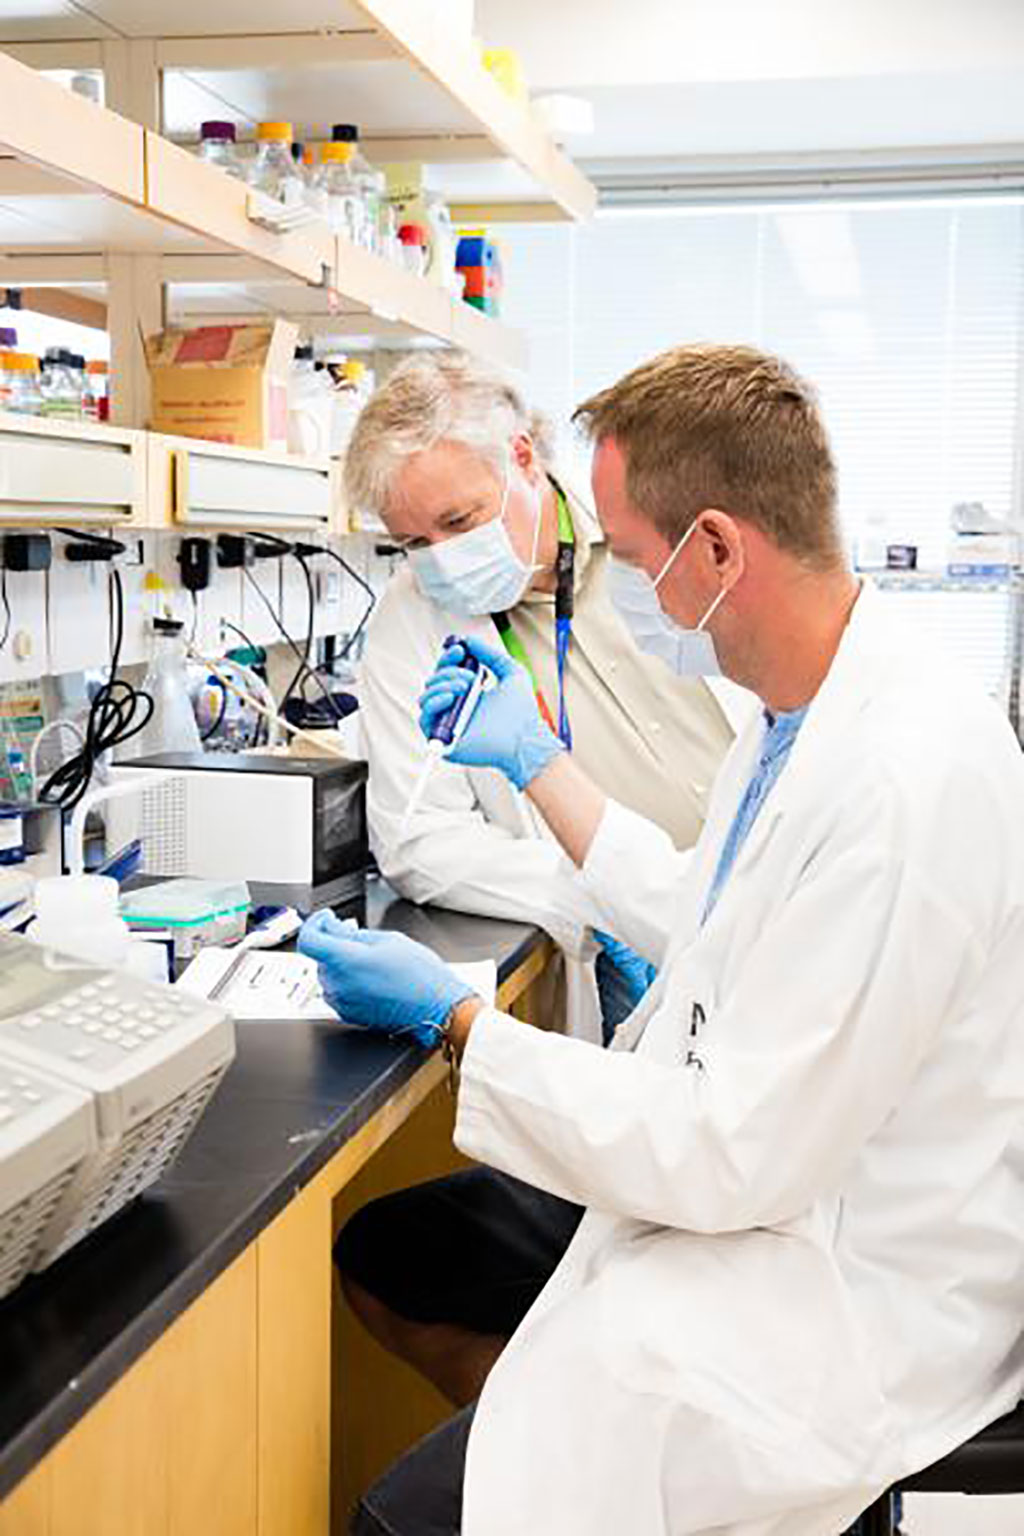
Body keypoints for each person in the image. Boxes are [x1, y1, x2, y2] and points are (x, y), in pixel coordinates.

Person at [301, 343, 1024, 1536]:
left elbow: (734, 1154)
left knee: (410, 1515)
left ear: (719, 551)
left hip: (850, 1283)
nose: (621, 582)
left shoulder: (901, 779)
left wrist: (460, 1022)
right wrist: (542, 767)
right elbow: (707, 904)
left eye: (632, 559)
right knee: (466, 1312)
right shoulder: (812, 717)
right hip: (775, 1184)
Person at [343, 351, 738, 1043]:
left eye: (459, 521)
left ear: (522, 458)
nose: (439, 557)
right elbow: (416, 838)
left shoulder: (651, 537)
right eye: (411, 541)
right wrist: (596, 894)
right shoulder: (411, 620)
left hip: (769, 902)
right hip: (640, 960)